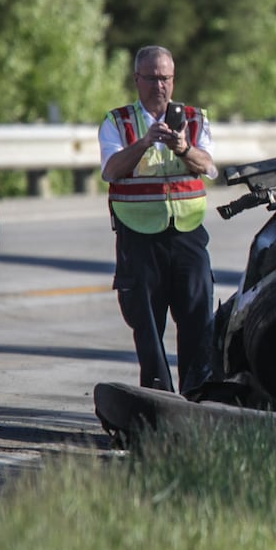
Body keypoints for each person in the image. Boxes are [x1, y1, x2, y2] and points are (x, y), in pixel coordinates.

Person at [98, 46, 217, 394]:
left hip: (187, 232)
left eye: (165, 78)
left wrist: (182, 148)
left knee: (198, 320)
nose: (159, 86)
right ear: (137, 79)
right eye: (151, 78)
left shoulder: (195, 119)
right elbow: (111, 170)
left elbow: (209, 167)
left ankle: (197, 397)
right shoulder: (118, 122)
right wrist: (145, 143)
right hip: (139, 234)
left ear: (173, 80)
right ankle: (158, 400)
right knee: (146, 325)